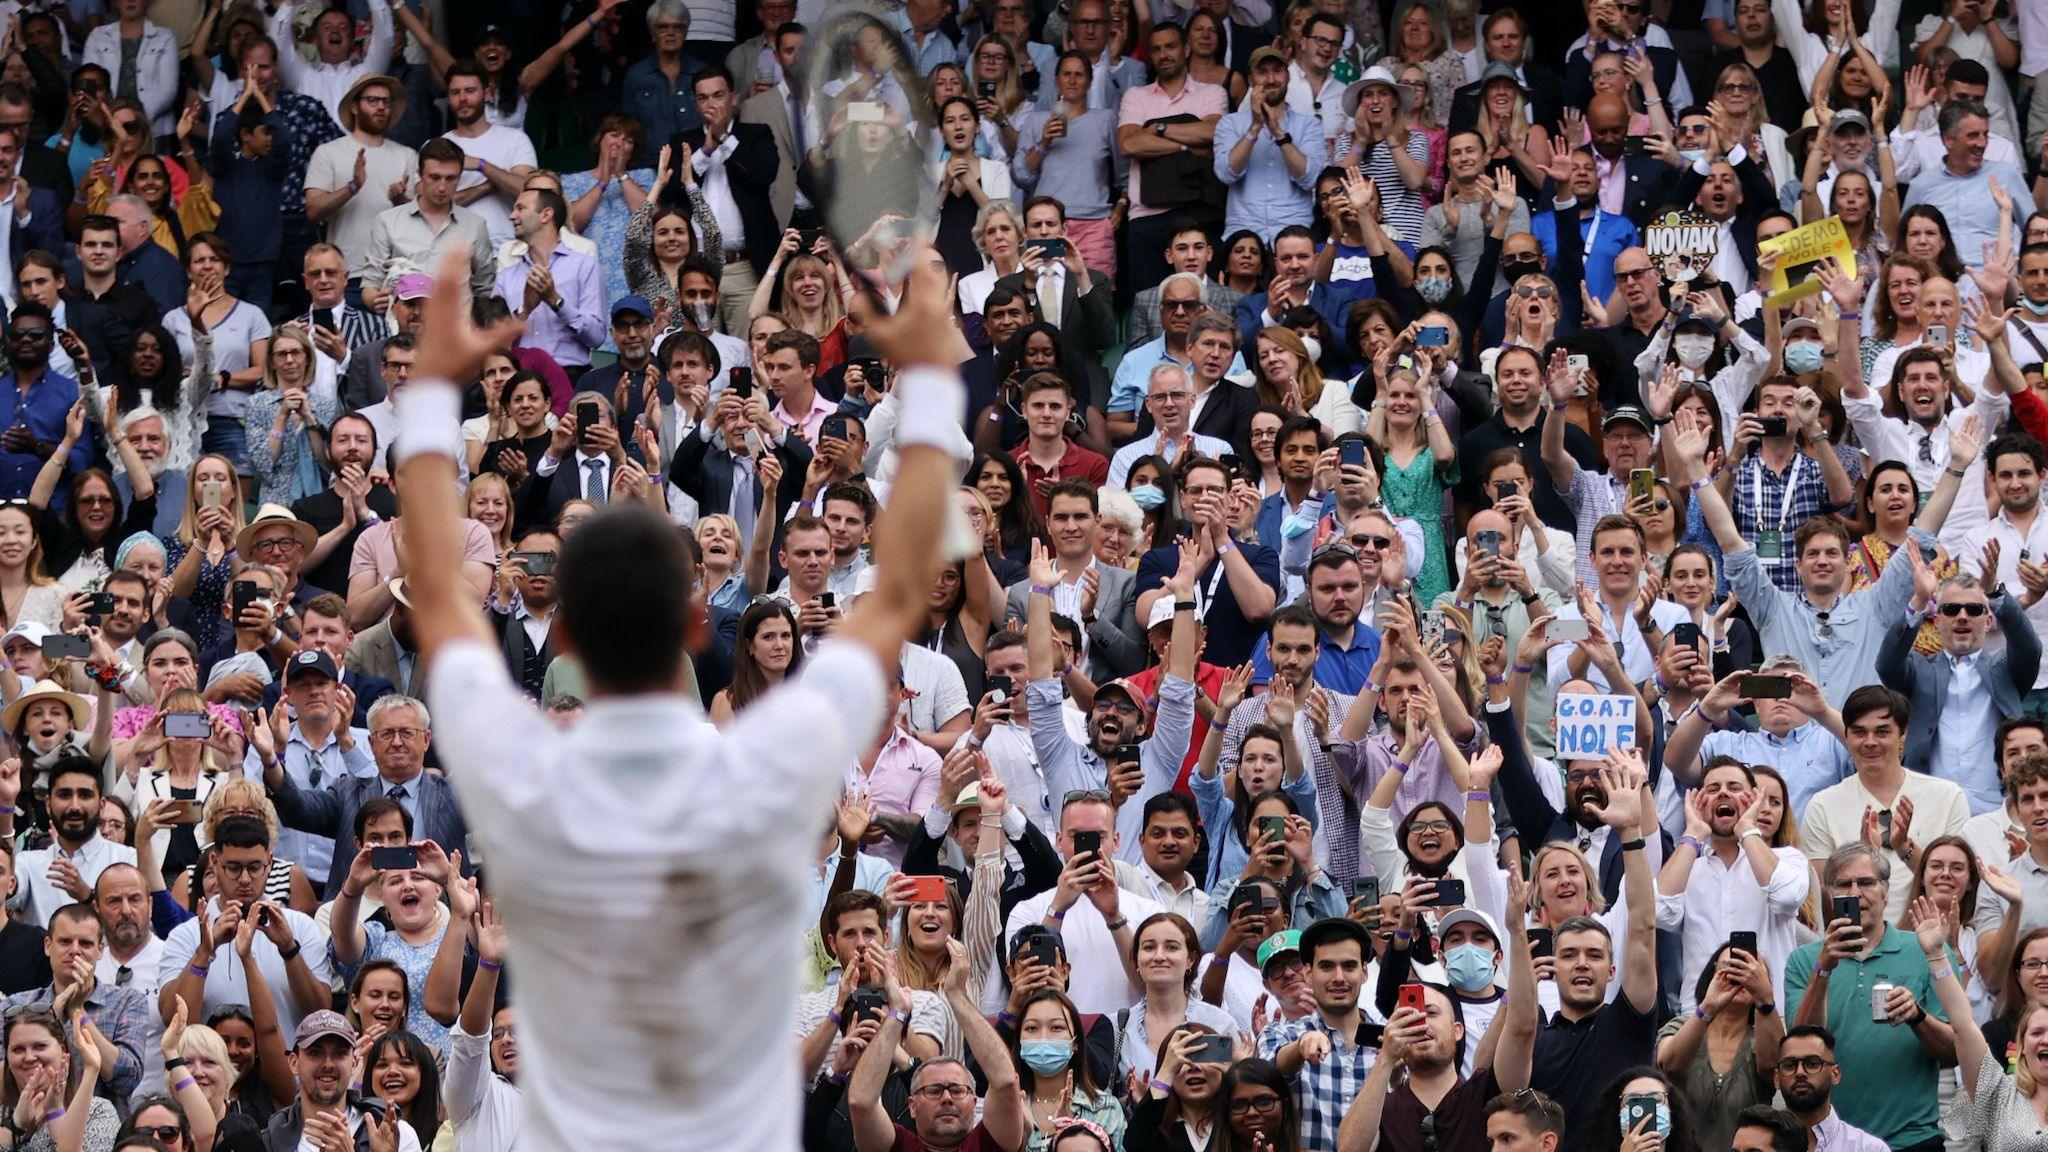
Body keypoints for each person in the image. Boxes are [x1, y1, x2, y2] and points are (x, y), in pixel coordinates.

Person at [1334, 871, 1540, 1152]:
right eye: (1408, 1017)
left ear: (1458, 1030)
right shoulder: (1382, 1107)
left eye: (1431, 1013)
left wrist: (1516, 929)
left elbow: (1522, 1030)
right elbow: (1349, 1150)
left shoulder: (1484, 1094)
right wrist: (1386, 1060)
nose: (1420, 1022)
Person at [1785, 843, 1957, 1151]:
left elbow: (1956, 1052)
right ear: (1829, 894)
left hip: (1912, 1139)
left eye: (1866, 882)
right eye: (1843, 884)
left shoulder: (1927, 950)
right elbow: (1800, 1048)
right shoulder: (1804, 961)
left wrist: (1917, 1017)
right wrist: (1823, 970)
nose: (1855, 892)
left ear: (1886, 892)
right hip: (1829, 1142)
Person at [1527, 751, 1659, 1136]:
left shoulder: (1628, 1021)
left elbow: (1643, 925)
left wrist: (1631, 832)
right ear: (1553, 963)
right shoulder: (1532, 1037)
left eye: (1594, 955)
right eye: (1568, 954)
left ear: (1612, 969)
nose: (1582, 963)